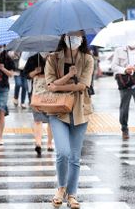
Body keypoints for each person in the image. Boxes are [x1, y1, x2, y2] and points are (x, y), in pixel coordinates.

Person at [45, 30, 94, 209]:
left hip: (80, 111)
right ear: (64, 38)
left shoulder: (88, 59)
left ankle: (72, 195)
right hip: (57, 111)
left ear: (82, 38)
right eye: (70, 35)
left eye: (77, 35)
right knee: (63, 152)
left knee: (74, 157)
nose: (73, 39)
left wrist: (60, 85)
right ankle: (61, 188)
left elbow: (83, 85)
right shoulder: (52, 58)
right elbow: (49, 86)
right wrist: (68, 76)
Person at [111, 44, 135, 140]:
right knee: (124, 108)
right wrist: (124, 70)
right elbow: (114, 66)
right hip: (124, 84)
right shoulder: (119, 50)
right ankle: (124, 129)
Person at [23, 52, 54, 157]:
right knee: (37, 119)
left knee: (51, 119)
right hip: (37, 93)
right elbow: (26, 75)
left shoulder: (54, 58)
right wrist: (35, 72)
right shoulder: (33, 58)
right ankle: (38, 143)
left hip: (51, 94)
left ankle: (49, 143)